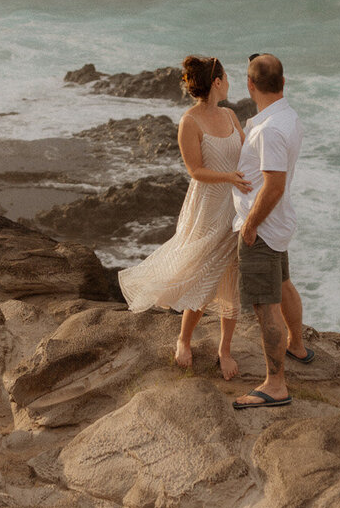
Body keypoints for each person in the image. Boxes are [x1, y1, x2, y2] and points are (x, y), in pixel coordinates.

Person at [118, 56, 253, 380]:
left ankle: (224, 349)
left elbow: (247, 154)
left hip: (235, 204)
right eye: (226, 77)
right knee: (201, 275)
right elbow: (195, 170)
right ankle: (183, 339)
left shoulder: (231, 115)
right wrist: (230, 178)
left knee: (231, 277)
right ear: (217, 82)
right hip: (207, 206)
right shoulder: (189, 122)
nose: (230, 82)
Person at [230, 52, 310, 410]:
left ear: (250, 85)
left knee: (266, 306)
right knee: (283, 283)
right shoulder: (286, 117)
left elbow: (273, 186)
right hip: (278, 224)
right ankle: (298, 345)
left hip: (262, 227)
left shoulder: (270, 130)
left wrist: (250, 224)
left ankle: (275, 384)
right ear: (282, 82)